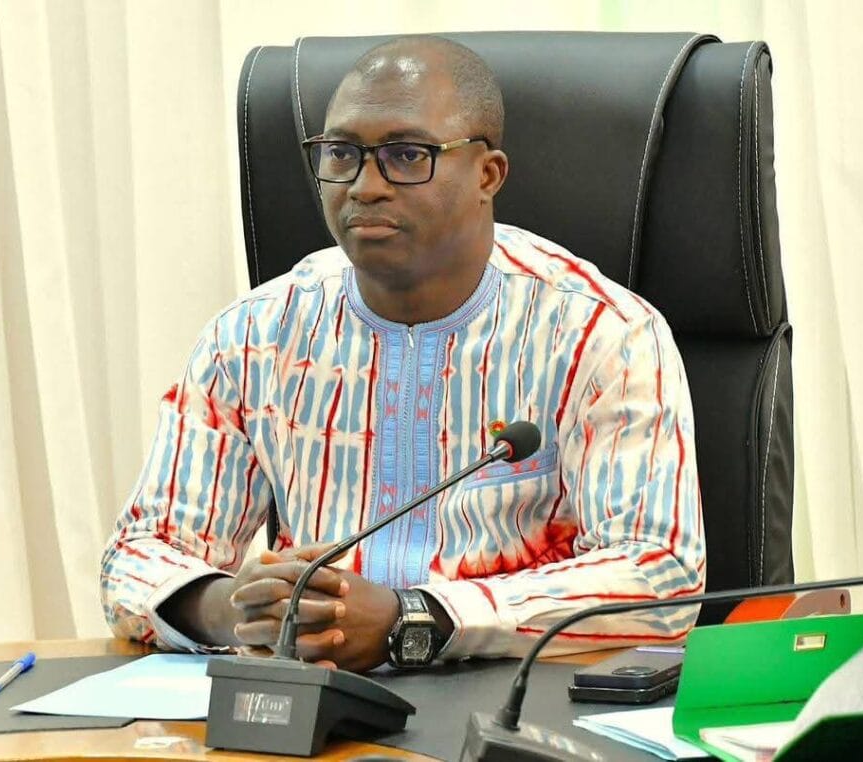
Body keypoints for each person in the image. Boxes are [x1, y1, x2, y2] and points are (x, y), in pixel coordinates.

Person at [100, 35, 705, 673]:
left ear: (488, 175)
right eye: (341, 154)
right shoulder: (254, 335)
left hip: (515, 692)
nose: (365, 186)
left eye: (406, 155)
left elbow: (660, 572)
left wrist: (417, 617)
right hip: (313, 693)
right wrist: (235, 608)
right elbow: (136, 555)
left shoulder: (601, 333)